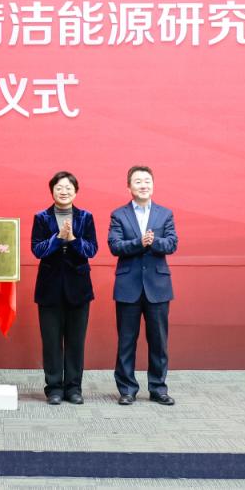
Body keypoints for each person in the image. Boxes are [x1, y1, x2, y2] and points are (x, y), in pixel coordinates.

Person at [108, 165, 178, 406]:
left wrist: (153, 241)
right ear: (129, 187)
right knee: (126, 341)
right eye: (138, 181)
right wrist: (139, 242)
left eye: (147, 181)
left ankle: (158, 388)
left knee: (159, 342)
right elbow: (115, 245)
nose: (143, 185)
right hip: (128, 287)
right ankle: (127, 389)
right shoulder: (119, 215)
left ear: (153, 185)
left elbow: (172, 243)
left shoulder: (165, 214)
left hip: (157, 287)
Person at [30, 171, 99, 405]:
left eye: (68, 188)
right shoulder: (41, 218)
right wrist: (58, 238)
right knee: (51, 342)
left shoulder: (85, 217)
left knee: (76, 342)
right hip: (49, 289)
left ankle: (73, 388)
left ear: (75, 192)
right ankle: (54, 388)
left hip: (78, 288)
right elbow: (37, 250)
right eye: (59, 188)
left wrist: (73, 239)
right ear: (52, 191)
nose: (64, 191)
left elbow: (92, 249)